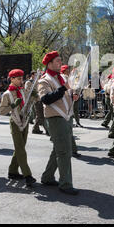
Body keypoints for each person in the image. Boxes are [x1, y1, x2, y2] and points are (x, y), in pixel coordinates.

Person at [38, 51, 79, 196]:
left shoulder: (62, 77)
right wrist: (64, 89)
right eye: (57, 61)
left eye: (60, 60)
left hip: (66, 117)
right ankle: (65, 184)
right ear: (49, 64)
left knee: (58, 149)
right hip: (55, 118)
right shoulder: (44, 80)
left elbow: (65, 94)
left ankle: (47, 177)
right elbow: (46, 99)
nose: (60, 63)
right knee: (64, 151)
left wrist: (72, 95)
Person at [0, 69, 37, 187]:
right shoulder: (6, 94)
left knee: (20, 148)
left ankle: (12, 171)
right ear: (11, 79)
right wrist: (12, 105)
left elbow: (31, 102)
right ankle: (28, 175)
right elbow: (1, 111)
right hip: (15, 122)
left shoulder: (23, 90)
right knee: (20, 149)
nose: (22, 80)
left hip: (25, 121)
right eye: (19, 78)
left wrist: (35, 96)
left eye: (22, 78)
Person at [60, 65, 81, 158]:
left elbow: (71, 91)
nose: (69, 72)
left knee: (68, 131)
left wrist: (75, 94)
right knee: (68, 132)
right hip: (64, 109)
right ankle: (72, 150)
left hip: (68, 109)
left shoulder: (68, 79)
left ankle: (72, 149)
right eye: (67, 70)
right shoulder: (63, 78)